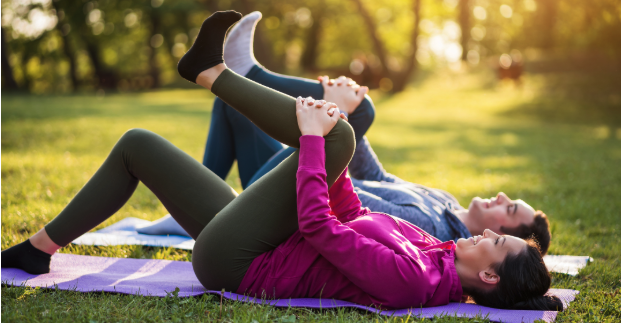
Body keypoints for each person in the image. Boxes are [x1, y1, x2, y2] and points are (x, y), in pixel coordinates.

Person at [1, 11, 562, 311]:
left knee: (337, 139)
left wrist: (320, 144)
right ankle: (37, 250)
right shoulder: (436, 253)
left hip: (239, 263)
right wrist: (324, 150)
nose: (482, 235)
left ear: (487, 274)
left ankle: (213, 72)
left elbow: (320, 228)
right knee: (138, 144)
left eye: (495, 241)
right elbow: (346, 211)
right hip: (262, 240)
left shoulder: (414, 280)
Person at [138, 12, 552, 254]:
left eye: (510, 208)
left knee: (363, 109)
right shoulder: (445, 203)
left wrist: (341, 116)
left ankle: (249, 71)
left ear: (497, 235)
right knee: (230, 101)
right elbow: (378, 177)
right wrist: (346, 118)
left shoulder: (436, 231)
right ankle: (182, 212)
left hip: (283, 195)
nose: (501, 196)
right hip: (287, 184)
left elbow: (345, 201)